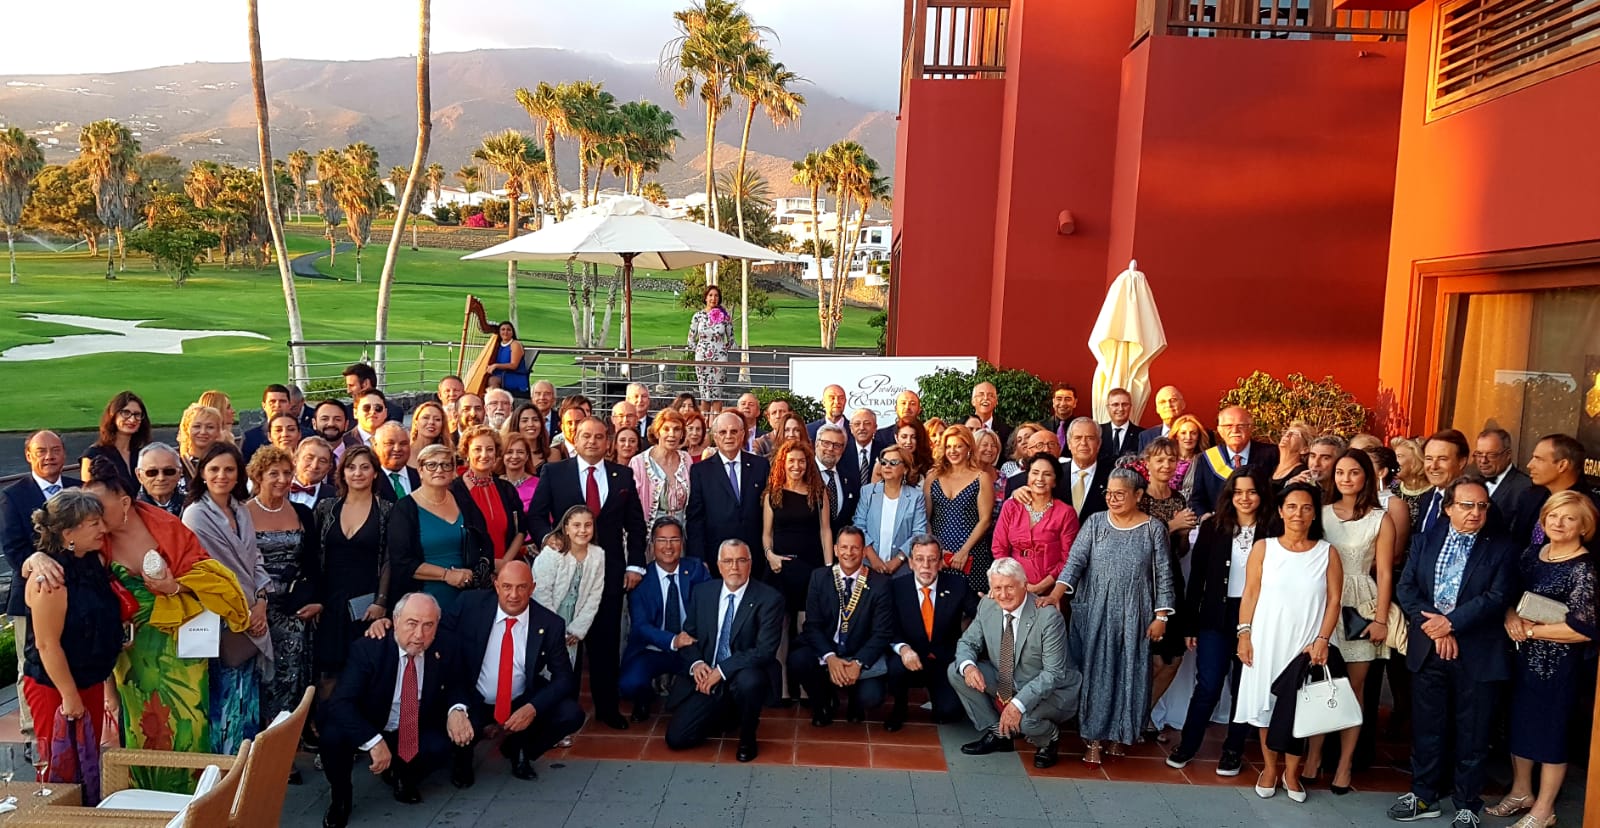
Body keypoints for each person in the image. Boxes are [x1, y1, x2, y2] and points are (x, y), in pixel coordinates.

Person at [63, 460, 243, 791]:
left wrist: (174, 588)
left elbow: (215, 580)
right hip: (131, 659)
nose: (95, 519)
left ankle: (194, 804)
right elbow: (62, 562)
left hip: (182, 650)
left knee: (190, 723)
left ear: (125, 502)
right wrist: (36, 561)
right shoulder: (94, 543)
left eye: (100, 509)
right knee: (141, 730)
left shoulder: (167, 528)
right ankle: (147, 805)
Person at [1390, 476, 1518, 825]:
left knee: (1473, 732)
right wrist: (1435, 627)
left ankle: (1466, 803)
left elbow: (1497, 597)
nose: (1475, 512)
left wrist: (1452, 624)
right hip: (1429, 649)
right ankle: (1424, 796)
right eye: (1466, 505)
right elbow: (1407, 588)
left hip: (1477, 652)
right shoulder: (1425, 541)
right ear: (1448, 508)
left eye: (1482, 506)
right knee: (1428, 727)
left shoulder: (1501, 547)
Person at [524, 416, 648, 731]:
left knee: (605, 643)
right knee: (564, 641)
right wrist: (546, 539)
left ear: (607, 442)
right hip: (565, 572)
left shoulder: (623, 475)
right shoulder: (555, 472)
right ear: (574, 439)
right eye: (585, 436)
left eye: (598, 437)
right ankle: (565, 709)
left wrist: (635, 564)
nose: (591, 442)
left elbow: (635, 524)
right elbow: (536, 515)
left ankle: (607, 708)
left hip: (608, 573)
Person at [1046, 468, 1175, 763]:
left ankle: (1121, 734)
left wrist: (1162, 617)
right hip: (1095, 611)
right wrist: (1056, 594)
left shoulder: (1153, 528)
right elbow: (1075, 562)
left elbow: (1164, 575)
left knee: (1130, 673)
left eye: (1120, 494)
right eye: (1109, 494)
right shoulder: (1094, 523)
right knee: (1096, 673)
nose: (1112, 499)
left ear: (1138, 496)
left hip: (1136, 613)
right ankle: (1092, 738)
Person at [1487, 492, 1597, 827]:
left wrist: (1532, 633)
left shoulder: (1584, 568)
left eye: (1569, 518)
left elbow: (1585, 629)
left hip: (1559, 665)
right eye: (1553, 516)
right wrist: (1509, 617)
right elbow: (1508, 594)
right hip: (1522, 659)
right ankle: (1522, 792)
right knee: (1519, 725)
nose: (1559, 524)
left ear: (1584, 525)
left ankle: (1544, 809)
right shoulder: (1532, 554)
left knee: (1552, 735)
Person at [1233, 482, 1342, 803]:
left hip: (1308, 645)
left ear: (1314, 514)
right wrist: (1244, 634)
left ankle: (1292, 773)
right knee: (1267, 707)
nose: (1298, 513)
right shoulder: (1264, 548)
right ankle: (1269, 768)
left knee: (1300, 711)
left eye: (1306, 507)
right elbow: (1250, 593)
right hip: (1267, 640)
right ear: (1280, 511)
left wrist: (1323, 639)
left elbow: (1335, 600)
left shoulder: (1327, 552)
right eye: (1292, 507)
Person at [319, 593, 468, 827]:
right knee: (333, 736)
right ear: (395, 621)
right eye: (412, 623)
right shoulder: (369, 649)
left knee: (441, 744)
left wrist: (456, 709)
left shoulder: (446, 645)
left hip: (413, 724)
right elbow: (341, 702)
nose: (419, 635)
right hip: (371, 722)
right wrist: (373, 741)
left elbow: (458, 683)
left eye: (428, 625)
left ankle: (402, 775)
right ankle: (340, 798)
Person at [1167, 468, 1271, 776]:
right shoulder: (1214, 527)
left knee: (1243, 687)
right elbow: (1196, 579)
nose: (1245, 498)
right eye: (1238, 492)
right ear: (1230, 495)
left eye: (1251, 492)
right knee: (1208, 685)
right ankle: (1187, 744)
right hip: (1215, 617)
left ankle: (1232, 750)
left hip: (1257, 618)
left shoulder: (1273, 529)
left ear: (1262, 494)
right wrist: (1189, 625)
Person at [445, 561, 584, 787]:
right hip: (474, 696)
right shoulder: (469, 605)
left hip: (519, 697)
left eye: (521, 587)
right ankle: (463, 758)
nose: (514, 595)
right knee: (449, 733)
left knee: (570, 713)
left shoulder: (549, 623)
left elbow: (564, 678)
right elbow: (438, 640)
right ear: (496, 585)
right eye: (507, 587)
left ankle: (519, 749)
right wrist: (455, 706)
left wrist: (533, 708)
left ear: (532, 588)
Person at [1307, 448, 1396, 794]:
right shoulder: (1323, 514)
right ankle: (1313, 757)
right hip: (1324, 602)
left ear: (1367, 477)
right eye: (1340, 472)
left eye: (1354, 472)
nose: (1346, 478)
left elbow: (1385, 572)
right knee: (1320, 682)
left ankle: (1344, 764)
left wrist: (1381, 618)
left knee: (1354, 690)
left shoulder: (1380, 518)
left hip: (1361, 604)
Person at [21, 490, 120, 790]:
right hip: (57, 686)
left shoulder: (93, 561)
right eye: (93, 523)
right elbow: (47, 645)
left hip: (88, 680)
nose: (103, 528)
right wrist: (69, 695)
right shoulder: (51, 580)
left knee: (87, 761)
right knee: (60, 763)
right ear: (69, 533)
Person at [182, 442, 272, 756]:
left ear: (238, 475)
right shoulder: (195, 514)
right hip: (219, 618)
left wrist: (260, 603)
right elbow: (212, 571)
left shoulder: (241, 511)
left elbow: (255, 561)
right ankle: (223, 774)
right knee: (224, 698)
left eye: (229, 469)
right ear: (203, 474)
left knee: (247, 695)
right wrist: (244, 610)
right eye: (214, 469)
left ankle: (246, 770)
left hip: (252, 612)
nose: (222, 475)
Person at [951, 557, 1081, 768]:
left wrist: (1017, 705)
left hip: (1052, 689)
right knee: (957, 671)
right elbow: (968, 642)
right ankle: (999, 733)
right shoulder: (987, 605)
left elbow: (1053, 675)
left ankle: (1049, 739)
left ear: (1024, 584)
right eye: (998, 588)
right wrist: (969, 666)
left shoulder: (1047, 617)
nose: (1003, 595)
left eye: (1010, 587)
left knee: (1025, 720)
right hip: (1007, 679)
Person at [664, 539, 785, 761]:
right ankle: (726, 712)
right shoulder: (703, 593)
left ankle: (748, 737)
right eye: (728, 561)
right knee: (677, 738)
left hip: (743, 672)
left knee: (750, 682)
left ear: (750, 563)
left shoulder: (769, 599)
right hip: (707, 676)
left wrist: (721, 670)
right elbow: (688, 636)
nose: (734, 567)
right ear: (719, 565)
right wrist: (697, 664)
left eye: (741, 560)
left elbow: (764, 650)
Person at [2, 430, 83, 743]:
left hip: (77, 595)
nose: (49, 456)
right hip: (31, 598)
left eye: (56, 450)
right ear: (29, 455)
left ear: (64, 454)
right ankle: (32, 732)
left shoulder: (79, 489)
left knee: (72, 657)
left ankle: (72, 721)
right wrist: (39, 564)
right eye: (42, 451)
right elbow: (13, 548)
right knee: (31, 664)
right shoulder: (14, 495)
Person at [244, 446, 322, 749]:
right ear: (258, 476)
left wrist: (317, 600)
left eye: (287, 473)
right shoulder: (242, 513)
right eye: (273, 473)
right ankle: (266, 744)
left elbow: (314, 563)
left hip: (294, 606)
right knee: (265, 677)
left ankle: (286, 740)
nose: (281, 479)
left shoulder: (301, 513)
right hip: (256, 605)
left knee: (294, 675)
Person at [788, 526, 894, 726]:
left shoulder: (880, 584)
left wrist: (858, 662)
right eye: (844, 547)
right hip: (828, 649)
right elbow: (812, 625)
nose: (849, 553)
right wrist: (830, 657)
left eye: (855, 548)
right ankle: (822, 704)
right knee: (798, 660)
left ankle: (856, 701)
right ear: (835, 550)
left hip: (859, 651)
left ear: (864, 552)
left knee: (871, 697)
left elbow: (882, 633)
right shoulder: (819, 577)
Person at [313, 446, 393, 697]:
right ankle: (324, 727)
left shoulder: (388, 510)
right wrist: (315, 598)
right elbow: (313, 557)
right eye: (351, 467)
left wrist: (381, 601)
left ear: (375, 474)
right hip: (329, 601)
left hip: (367, 603)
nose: (357, 473)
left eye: (364, 467)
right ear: (342, 473)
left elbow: (390, 560)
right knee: (327, 671)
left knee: (361, 669)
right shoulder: (327, 508)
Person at [763, 439, 836, 700]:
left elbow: (826, 531)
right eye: (791, 460)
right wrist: (769, 555)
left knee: (807, 628)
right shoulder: (773, 492)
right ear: (783, 463)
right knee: (780, 627)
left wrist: (828, 568)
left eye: (801, 461)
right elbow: (766, 534)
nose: (796, 465)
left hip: (811, 570)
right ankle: (782, 688)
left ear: (808, 464)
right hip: (780, 568)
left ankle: (806, 688)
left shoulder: (819, 493)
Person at [621, 517, 712, 722]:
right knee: (630, 684)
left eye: (674, 539)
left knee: (705, 683)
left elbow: (711, 607)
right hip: (653, 649)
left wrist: (691, 641)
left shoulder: (696, 569)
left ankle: (686, 697)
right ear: (652, 545)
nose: (668, 546)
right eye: (662, 540)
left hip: (691, 648)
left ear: (682, 543)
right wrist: (673, 641)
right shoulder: (641, 580)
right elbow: (641, 626)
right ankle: (644, 699)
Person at [885, 536, 977, 730]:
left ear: (941, 562)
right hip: (910, 657)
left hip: (943, 659)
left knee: (949, 713)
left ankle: (940, 699)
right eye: (919, 559)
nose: (925, 566)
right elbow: (888, 626)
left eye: (932, 559)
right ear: (910, 563)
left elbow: (979, 616)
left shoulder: (957, 584)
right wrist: (903, 649)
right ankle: (900, 706)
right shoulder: (896, 587)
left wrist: (991, 604)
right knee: (895, 667)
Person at [390, 443, 495, 614]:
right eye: (431, 465)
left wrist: (474, 573)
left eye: (446, 465)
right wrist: (446, 575)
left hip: (467, 596)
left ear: (454, 471)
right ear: (420, 471)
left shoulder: (463, 499)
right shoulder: (404, 508)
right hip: (423, 599)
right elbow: (402, 562)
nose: (439, 470)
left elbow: (485, 541)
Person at [1138, 438, 1199, 728]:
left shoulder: (1178, 500)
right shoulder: (1138, 498)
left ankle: (1140, 713)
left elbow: (1179, 550)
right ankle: (1133, 715)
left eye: (1171, 460)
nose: (1166, 465)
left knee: (1172, 659)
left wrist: (1184, 533)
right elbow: (1139, 545)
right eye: (1159, 459)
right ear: (1147, 462)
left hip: (1171, 580)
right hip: (1143, 583)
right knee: (1149, 659)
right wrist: (1172, 526)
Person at [687, 412, 770, 573]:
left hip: (755, 556)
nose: (729, 436)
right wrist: (699, 558)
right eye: (723, 432)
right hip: (716, 557)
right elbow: (695, 519)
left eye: (734, 431)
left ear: (742, 434)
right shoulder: (700, 471)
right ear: (715, 437)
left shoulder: (761, 466)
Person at [992, 453, 1080, 598]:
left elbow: (1068, 559)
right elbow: (999, 547)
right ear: (1028, 476)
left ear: (1055, 481)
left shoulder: (1066, 513)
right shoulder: (1011, 506)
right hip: (1011, 587)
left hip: (1049, 591)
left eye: (1047, 474)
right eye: (1035, 473)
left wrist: (1041, 587)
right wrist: (1010, 581)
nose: (1039, 479)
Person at [532, 505, 606, 670]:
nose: (583, 530)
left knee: (566, 665)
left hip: (574, 618)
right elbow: (541, 593)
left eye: (588, 525)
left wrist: (578, 628)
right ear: (566, 528)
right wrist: (554, 628)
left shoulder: (598, 555)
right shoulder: (552, 554)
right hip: (550, 615)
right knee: (543, 665)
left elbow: (594, 596)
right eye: (576, 525)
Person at [454, 426, 526, 565]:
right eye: (477, 449)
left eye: (490, 449)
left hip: (505, 568)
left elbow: (520, 530)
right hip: (470, 571)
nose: (484, 454)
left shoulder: (506, 489)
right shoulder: (454, 491)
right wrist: (488, 565)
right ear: (466, 452)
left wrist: (505, 562)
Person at [1189, 406, 1280, 516]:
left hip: (1261, 526)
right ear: (1220, 430)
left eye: (1241, 425)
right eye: (1228, 426)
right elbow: (1197, 500)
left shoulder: (1271, 454)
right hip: (1220, 527)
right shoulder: (1206, 458)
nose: (1235, 430)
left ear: (1251, 427)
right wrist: (1204, 518)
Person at [1514, 434, 1600, 547]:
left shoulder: (1591, 508)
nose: (1529, 465)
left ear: (1562, 465)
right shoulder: (1529, 496)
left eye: (1539, 459)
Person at [856, 445, 928, 577]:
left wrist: (898, 560)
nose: (887, 466)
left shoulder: (916, 497)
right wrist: (873, 558)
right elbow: (859, 526)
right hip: (868, 565)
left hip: (902, 569)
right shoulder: (867, 492)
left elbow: (919, 533)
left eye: (893, 463)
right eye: (883, 462)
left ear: (905, 469)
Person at [80, 390, 149, 490]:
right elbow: (89, 498)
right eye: (126, 413)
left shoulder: (144, 453)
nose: (132, 419)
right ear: (113, 415)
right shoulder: (93, 455)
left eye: (137, 414)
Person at [634, 408, 692, 525]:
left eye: (677, 429)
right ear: (657, 432)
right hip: (650, 532)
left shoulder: (686, 459)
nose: (672, 434)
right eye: (666, 429)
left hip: (681, 532)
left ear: (682, 434)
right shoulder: (639, 462)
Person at [1415, 429, 1473, 538]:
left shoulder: (1474, 504)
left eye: (1442, 459)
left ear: (1461, 462)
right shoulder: (1425, 499)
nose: (1433, 466)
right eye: (1429, 459)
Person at [687, 284, 734, 404]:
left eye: (716, 296)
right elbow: (691, 338)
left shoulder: (725, 317)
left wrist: (722, 350)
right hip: (702, 359)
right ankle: (705, 420)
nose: (713, 298)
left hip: (719, 359)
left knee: (717, 395)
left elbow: (731, 339)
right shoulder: (698, 316)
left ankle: (717, 421)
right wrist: (698, 351)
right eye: (711, 295)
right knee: (704, 394)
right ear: (706, 298)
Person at [1059, 417, 1111, 520]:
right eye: (1078, 438)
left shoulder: (1111, 476)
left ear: (1099, 444)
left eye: (1090, 438)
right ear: (1069, 443)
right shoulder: (1056, 473)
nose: (1083, 443)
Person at [1476, 428, 1532, 519]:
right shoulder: (1471, 482)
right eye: (1479, 454)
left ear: (1508, 454)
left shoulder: (1525, 487)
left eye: (1491, 455)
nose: (1483, 460)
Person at [814, 424, 858, 528]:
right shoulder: (804, 473)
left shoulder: (850, 477)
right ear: (816, 444)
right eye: (826, 443)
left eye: (837, 445)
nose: (830, 448)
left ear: (843, 449)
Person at [240, 385, 294, 462]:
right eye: (272, 401)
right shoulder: (250, 437)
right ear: (264, 405)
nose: (277, 405)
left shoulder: (306, 435)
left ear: (289, 405)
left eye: (282, 401)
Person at [135, 442, 187, 517]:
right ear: (139, 475)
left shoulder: (193, 505)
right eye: (152, 472)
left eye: (169, 471)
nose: (161, 478)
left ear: (180, 472)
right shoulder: (130, 511)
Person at [176, 403, 226, 480]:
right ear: (186, 429)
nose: (203, 432)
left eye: (210, 427)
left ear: (218, 431)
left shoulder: (226, 461)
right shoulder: (174, 462)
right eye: (197, 426)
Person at [372, 422, 419, 502]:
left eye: (403, 444)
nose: (397, 449)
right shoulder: (370, 480)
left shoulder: (421, 477)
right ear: (375, 446)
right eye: (390, 443)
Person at [287, 437, 337, 509]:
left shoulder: (335, 497)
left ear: (329, 467)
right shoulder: (277, 488)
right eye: (309, 458)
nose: (314, 466)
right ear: (295, 460)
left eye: (322, 461)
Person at [484, 321, 529, 396]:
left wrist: (496, 365)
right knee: (484, 378)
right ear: (499, 332)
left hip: (514, 376)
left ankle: (497, 399)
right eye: (503, 329)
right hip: (501, 374)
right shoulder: (497, 345)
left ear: (512, 332)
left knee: (492, 380)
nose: (506, 332)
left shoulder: (515, 344)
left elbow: (514, 365)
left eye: (508, 330)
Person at [503, 401, 553, 469]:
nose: (531, 424)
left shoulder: (552, 454)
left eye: (535, 420)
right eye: (524, 421)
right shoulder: (504, 455)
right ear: (516, 424)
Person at [500, 431, 540, 515]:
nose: (514, 456)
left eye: (520, 452)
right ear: (502, 456)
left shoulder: (539, 485)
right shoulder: (495, 485)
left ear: (527, 456)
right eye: (509, 452)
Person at [409, 400, 456, 469]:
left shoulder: (448, 455)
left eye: (437, 419)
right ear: (416, 422)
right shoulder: (405, 452)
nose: (431, 422)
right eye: (425, 418)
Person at [1137, 386, 1187, 450]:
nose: (1168, 405)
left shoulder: (1195, 434)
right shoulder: (1146, 436)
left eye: (1173, 400)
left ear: (1183, 404)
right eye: (1162, 402)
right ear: (1157, 409)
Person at [1099, 387, 1142, 460]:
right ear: (1108, 408)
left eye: (1124, 404)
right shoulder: (1098, 431)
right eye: (1115, 404)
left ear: (1130, 407)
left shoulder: (1141, 435)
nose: (1120, 409)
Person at [842, 408, 880, 483]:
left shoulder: (884, 452)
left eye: (867, 423)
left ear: (875, 428)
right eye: (857, 424)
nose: (862, 428)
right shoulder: (842, 451)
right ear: (851, 429)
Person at [894, 417, 935, 486]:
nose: (908, 442)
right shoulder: (885, 463)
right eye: (904, 437)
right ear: (896, 438)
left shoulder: (930, 465)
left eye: (914, 437)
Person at [1272, 425, 1312, 491]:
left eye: (1295, 434)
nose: (1287, 435)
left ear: (1305, 449)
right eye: (1286, 432)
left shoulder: (1302, 473)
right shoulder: (1271, 466)